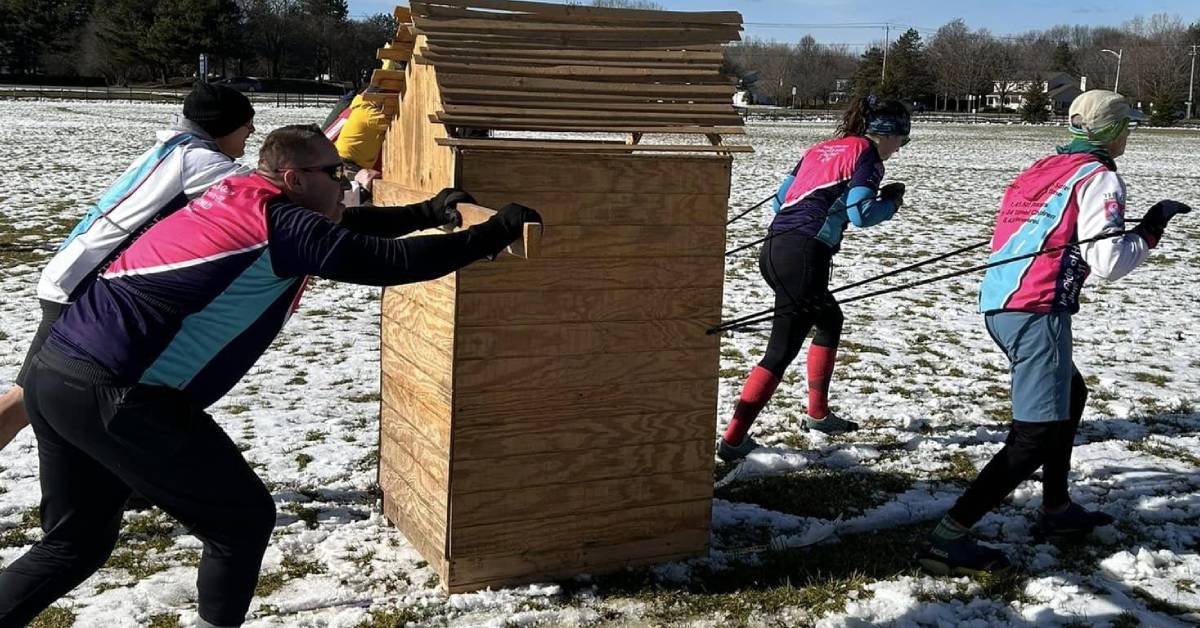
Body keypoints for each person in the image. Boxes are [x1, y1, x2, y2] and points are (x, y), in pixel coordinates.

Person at [0, 124, 541, 627]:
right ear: (295, 179)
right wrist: (491, 235)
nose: (346, 182)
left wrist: (428, 211)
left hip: (54, 376)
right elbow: (387, 263)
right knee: (241, 521)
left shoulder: (244, 197)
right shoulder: (279, 224)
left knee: (74, 545)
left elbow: (349, 225)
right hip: (122, 394)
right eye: (336, 173)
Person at [917, 90, 1191, 575]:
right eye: (1127, 124)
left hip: (1000, 304)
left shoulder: (1045, 166)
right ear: (1110, 131)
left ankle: (1057, 508)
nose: (1131, 132)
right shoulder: (1101, 177)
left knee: (1070, 392)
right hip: (1036, 309)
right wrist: (1150, 229)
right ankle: (946, 538)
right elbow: (1108, 262)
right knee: (1034, 437)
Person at [0, 81, 256, 453]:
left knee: (41, 395)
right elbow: (265, 196)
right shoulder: (200, 162)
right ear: (224, 125)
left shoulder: (174, 149)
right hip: (81, 286)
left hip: (71, 274)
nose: (251, 131)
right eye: (247, 123)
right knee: (25, 400)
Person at [717, 96, 910, 462]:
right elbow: (862, 213)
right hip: (806, 256)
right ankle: (732, 440)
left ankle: (818, 416)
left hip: (775, 248)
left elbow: (780, 201)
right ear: (888, 134)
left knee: (830, 319)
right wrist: (893, 202)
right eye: (902, 140)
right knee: (780, 350)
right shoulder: (866, 154)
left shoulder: (820, 148)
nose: (899, 150)